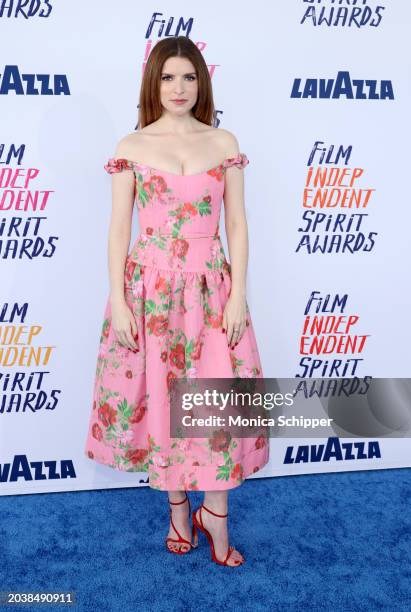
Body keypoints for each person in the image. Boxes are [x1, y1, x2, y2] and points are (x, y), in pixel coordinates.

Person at [84, 35, 269, 567]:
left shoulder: (224, 141)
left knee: (215, 405)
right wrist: (118, 300)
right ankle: (177, 507)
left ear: (202, 82)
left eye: (189, 77)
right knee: (164, 401)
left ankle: (216, 513)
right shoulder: (131, 147)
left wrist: (238, 297)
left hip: (211, 289)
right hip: (151, 291)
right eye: (168, 77)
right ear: (153, 83)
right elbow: (119, 230)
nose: (179, 87)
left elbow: (236, 222)